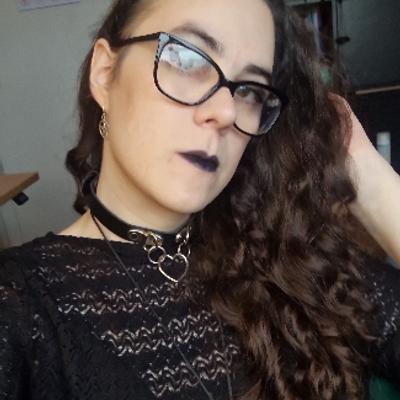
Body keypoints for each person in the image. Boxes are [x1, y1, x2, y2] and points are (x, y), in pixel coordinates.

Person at [0, 0, 399, 399]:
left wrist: (369, 178)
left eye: (249, 90)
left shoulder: (287, 257)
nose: (226, 112)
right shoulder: (21, 305)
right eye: (187, 59)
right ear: (105, 74)